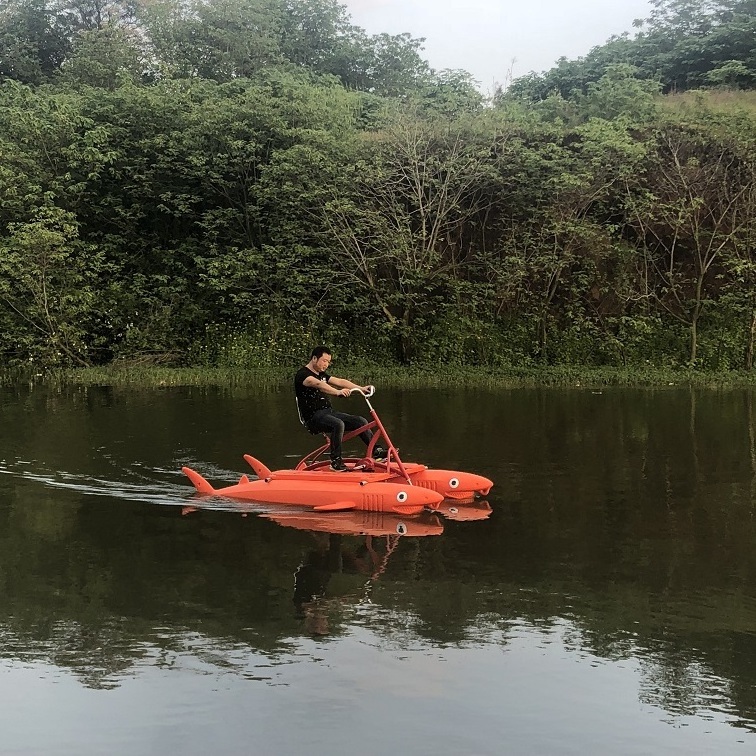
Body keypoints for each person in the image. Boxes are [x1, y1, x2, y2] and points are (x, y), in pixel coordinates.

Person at [294, 346, 386, 471]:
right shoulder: (303, 375)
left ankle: (377, 452)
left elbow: (340, 381)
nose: (326, 364)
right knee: (338, 424)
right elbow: (317, 384)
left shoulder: (321, 374)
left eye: (328, 362)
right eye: (324, 361)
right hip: (313, 418)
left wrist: (361, 388)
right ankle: (335, 462)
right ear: (314, 358)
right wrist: (337, 392)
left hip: (327, 413)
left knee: (361, 422)